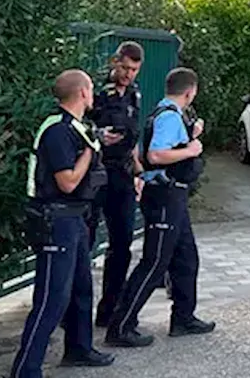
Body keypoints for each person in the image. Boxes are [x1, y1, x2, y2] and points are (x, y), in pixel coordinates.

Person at [10, 70, 115, 376]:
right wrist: (89, 152)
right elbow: (67, 181)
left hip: (75, 218)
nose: (94, 94)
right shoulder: (57, 130)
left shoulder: (76, 128)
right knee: (51, 298)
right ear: (82, 92)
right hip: (57, 219)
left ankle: (79, 348)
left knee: (81, 288)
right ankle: (26, 369)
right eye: (91, 89)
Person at [105, 67, 214, 348]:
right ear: (191, 91)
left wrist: (191, 134)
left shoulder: (167, 113)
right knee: (154, 263)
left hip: (173, 196)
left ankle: (183, 317)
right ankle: (120, 325)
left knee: (186, 257)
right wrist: (191, 150)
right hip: (164, 195)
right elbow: (155, 153)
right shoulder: (167, 117)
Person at [86, 42, 144, 328]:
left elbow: (132, 135)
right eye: (124, 67)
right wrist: (98, 136)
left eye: (133, 70)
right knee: (83, 243)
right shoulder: (96, 92)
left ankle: (108, 310)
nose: (128, 74)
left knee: (121, 244)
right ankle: (70, 312)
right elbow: (78, 128)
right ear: (114, 62)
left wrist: (138, 171)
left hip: (121, 174)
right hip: (95, 174)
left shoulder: (134, 94)